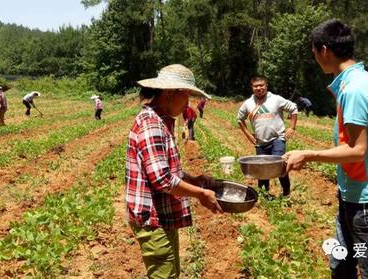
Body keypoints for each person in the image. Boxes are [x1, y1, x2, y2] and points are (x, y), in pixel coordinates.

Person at [283, 19, 368, 279]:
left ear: (324, 50)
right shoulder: (355, 81)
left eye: (313, 52)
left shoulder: (355, 88)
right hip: (353, 196)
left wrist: (309, 154)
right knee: (341, 266)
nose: (314, 57)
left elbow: (357, 150)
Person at [127, 64, 221, 278]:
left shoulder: (161, 120)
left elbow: (166, 169)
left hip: (161, 216)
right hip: (153, 219)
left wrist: (195, 179)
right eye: (186, 96)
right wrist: (201, 194)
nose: (188, 103)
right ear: (170, 93)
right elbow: (162, 179)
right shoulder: (152, 124)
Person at [236, 75, 298, 197]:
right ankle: (265, 195)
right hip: (260, 143)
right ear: (252, 87)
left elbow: (293, 108)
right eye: (256, 86)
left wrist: (292, 127)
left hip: (277, 139)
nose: (259, 88)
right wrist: (248, 135)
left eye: (261, 85)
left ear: (266, 86)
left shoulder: (276, 99)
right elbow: (239, 119)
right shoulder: (248, 103)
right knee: (261, 168)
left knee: (280, 165)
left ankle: (286, 192)